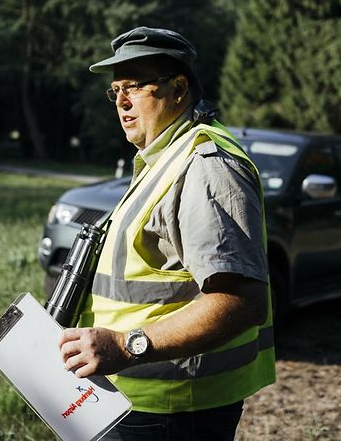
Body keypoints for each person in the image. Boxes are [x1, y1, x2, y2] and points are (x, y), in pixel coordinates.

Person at [58, 26, 275, 440]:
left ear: (178, 89)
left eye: (135, 87)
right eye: (115, 90)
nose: (121, 102)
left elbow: (241, 302)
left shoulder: (206, 165)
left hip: (174, 412)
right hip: (135, 400)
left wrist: (125, 347)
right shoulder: (164, 158)